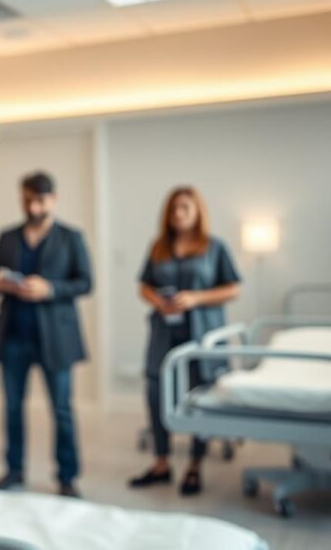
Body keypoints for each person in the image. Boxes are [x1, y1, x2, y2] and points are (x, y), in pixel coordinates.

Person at [0, 171, 92, 498]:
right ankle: (14, 470)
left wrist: (50, 289)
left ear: (53, 199)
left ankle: (67, 477)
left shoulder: (71, 237)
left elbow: (86, 282)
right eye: (27, 200)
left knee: (61, 409)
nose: (33, 208)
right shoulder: (7, 237)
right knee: (12, 407)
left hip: (56, 339)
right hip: (13, 335)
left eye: (39, 201)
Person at [128, 187, 240, 496]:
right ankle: (161, 463)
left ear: (197, 211)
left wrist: (195, 298)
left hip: (201, 333)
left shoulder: (214, 247)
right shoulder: (159, 247)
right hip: (164, 332)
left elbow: (233, 289)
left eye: (185, 208)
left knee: (200, 396)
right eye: (174, 208)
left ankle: (194, 464)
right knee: (155, 391)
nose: (179, 213)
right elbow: (144, 285)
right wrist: (157, 301)